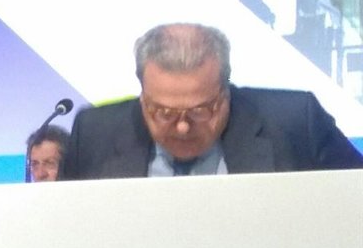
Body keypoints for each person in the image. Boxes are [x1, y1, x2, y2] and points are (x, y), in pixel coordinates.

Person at [62, 22, 363, 179]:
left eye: (200, 111)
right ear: (142, 97)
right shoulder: (93, 133)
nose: (182, 127)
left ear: (226, 90)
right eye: (164, 112)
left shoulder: (296, 123)